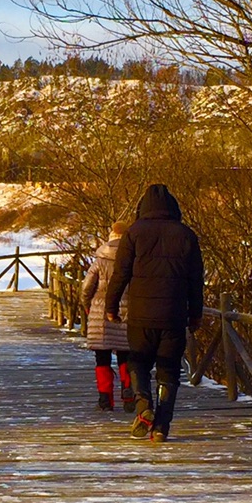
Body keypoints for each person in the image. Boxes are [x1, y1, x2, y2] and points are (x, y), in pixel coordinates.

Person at [105, 183, 204, 442]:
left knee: (138, 362)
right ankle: (161, 427)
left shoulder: (134, 233)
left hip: (141, 314)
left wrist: (111, 307)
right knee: (169, 371)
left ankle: (143, 405)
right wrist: (195, 313)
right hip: (174, 315)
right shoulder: (186, 235)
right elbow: (196, 280)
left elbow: (120, 275)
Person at [80, 222, 136, 412]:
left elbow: (86, 288)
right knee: (125, 354)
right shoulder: (134, 258)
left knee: (102, 357)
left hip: (100, 311)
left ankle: (105, 400)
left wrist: (88, 307)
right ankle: (128, 392)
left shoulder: (99, 260)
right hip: (128, 311)